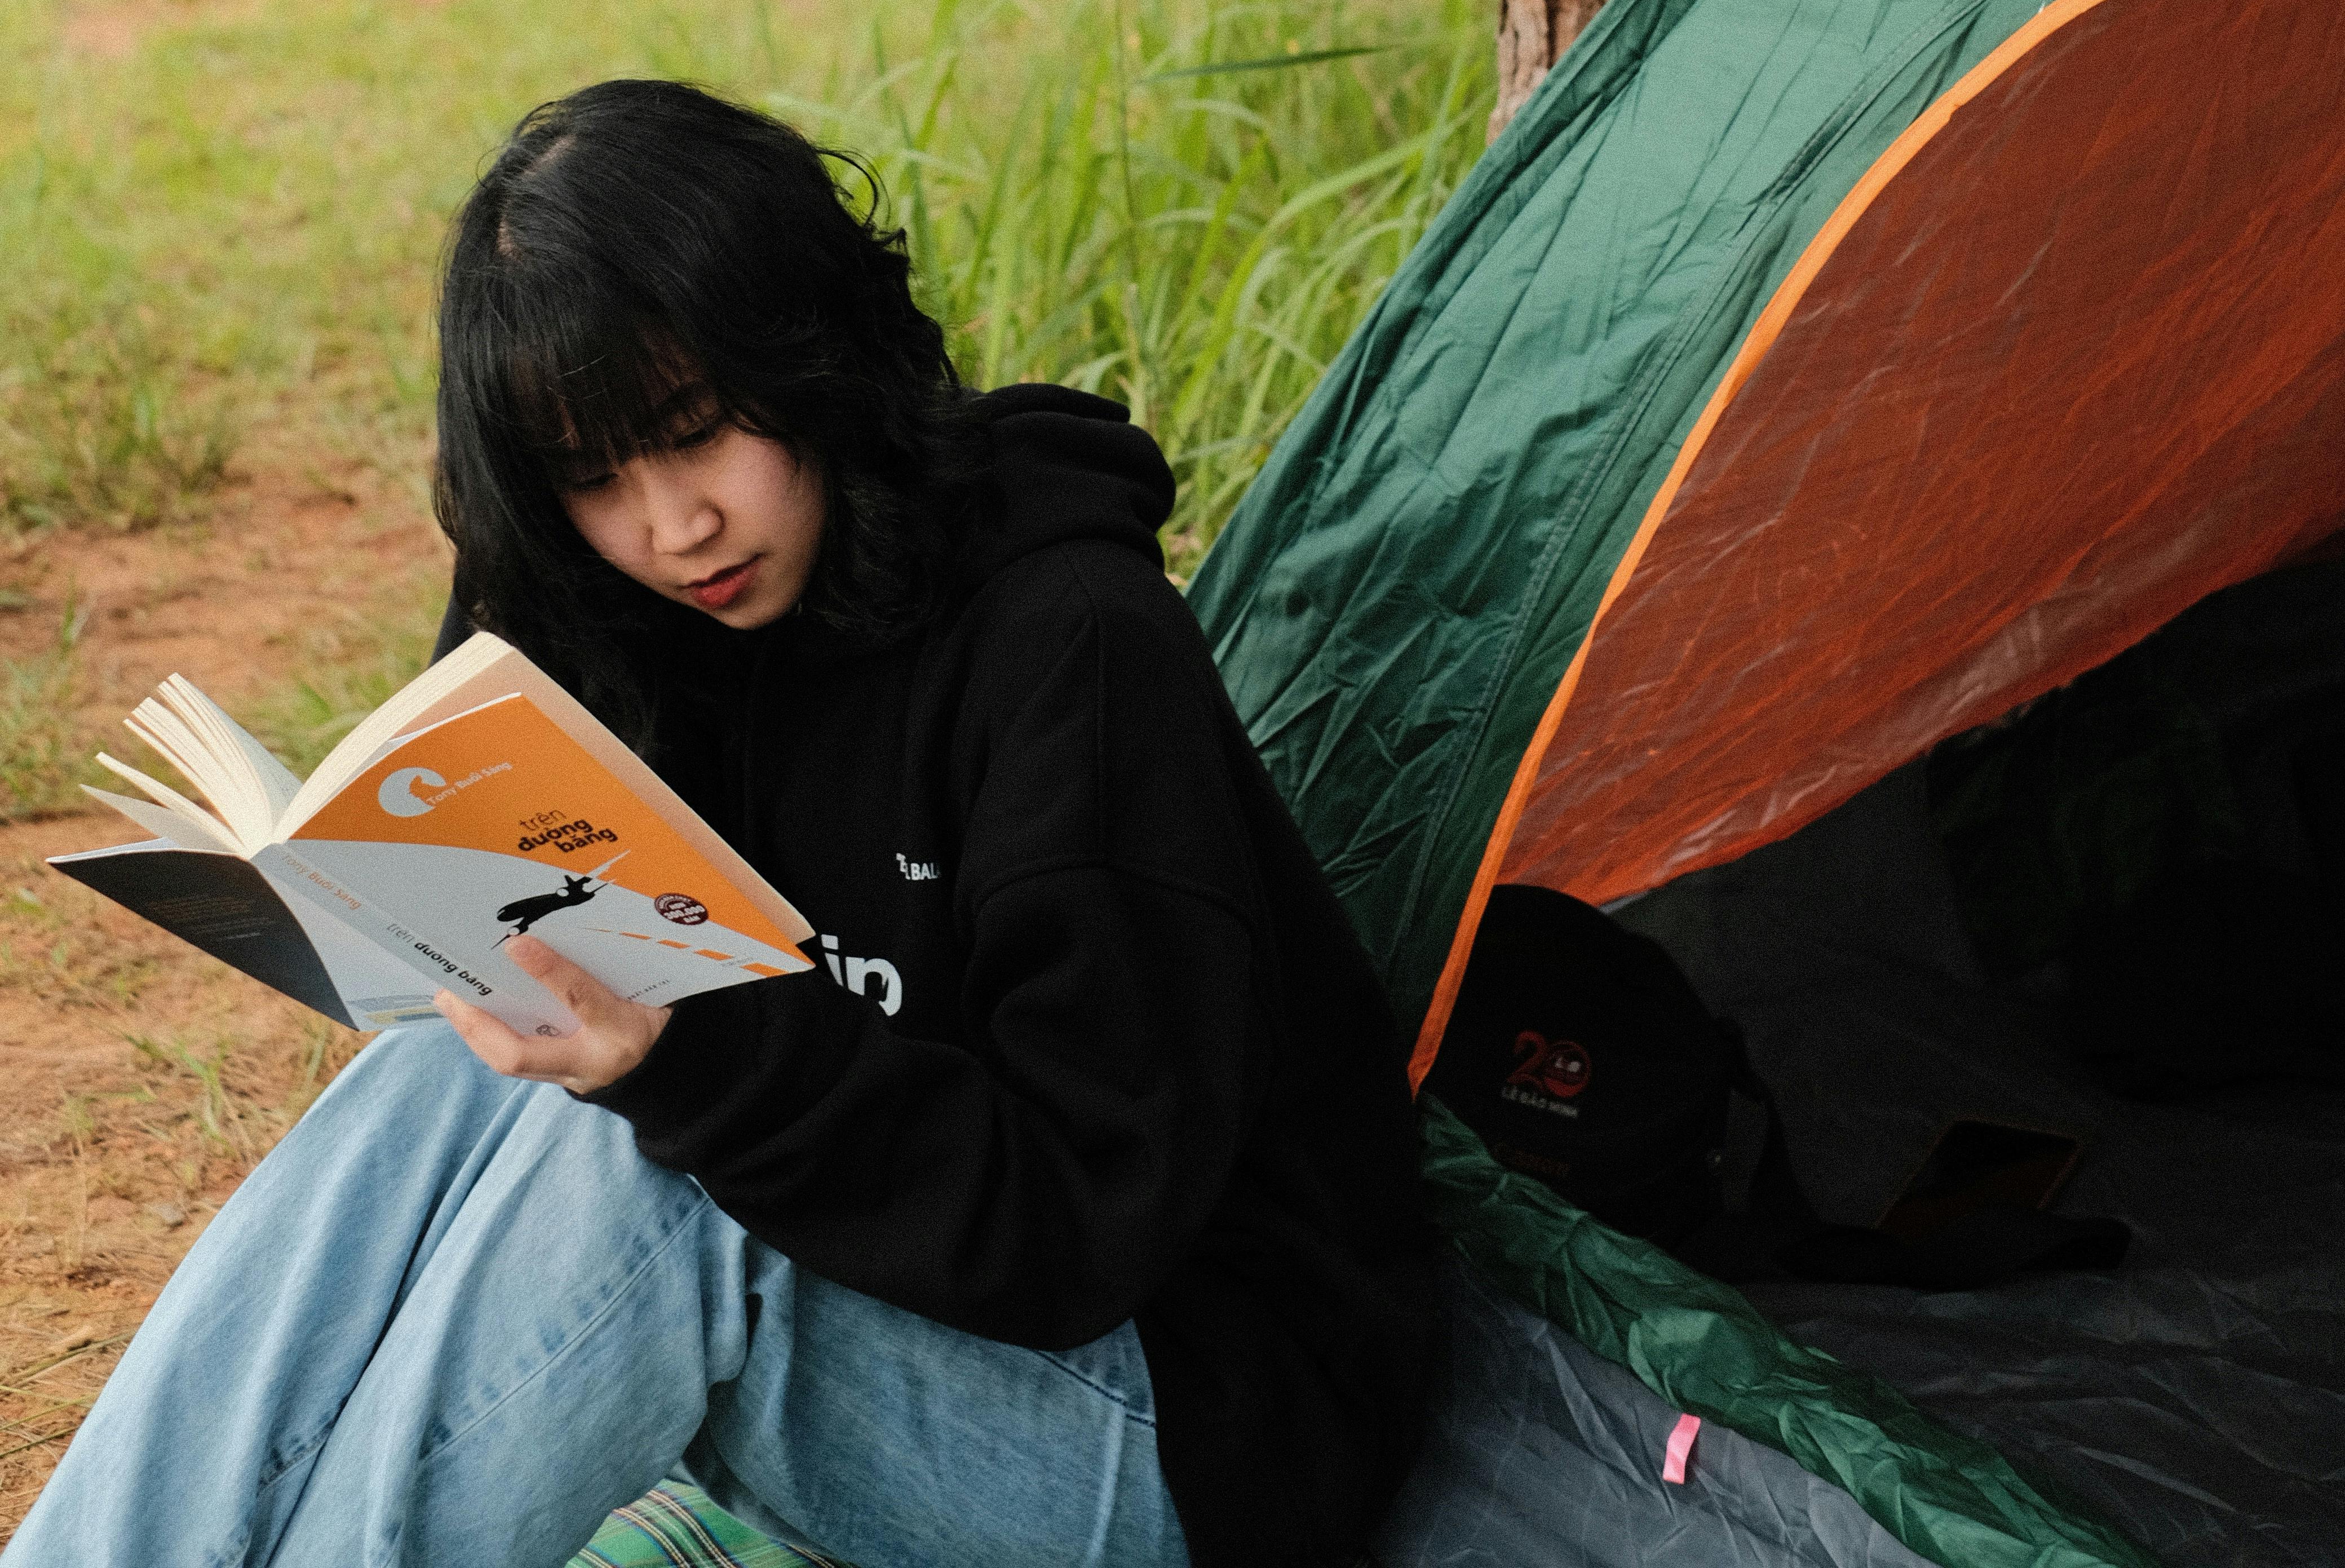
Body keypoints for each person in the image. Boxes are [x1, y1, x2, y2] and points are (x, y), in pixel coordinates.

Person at [15, 80, 1439, 1568]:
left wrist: (704, 1067)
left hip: (1192, 1424)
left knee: (656, 1181)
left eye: (697, 432)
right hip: (897, 1322)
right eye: (590, 476)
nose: (671, 524)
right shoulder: (642, 611)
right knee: (432, 1082)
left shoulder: (1070, 645)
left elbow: (1084, 1226)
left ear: (813, 354)